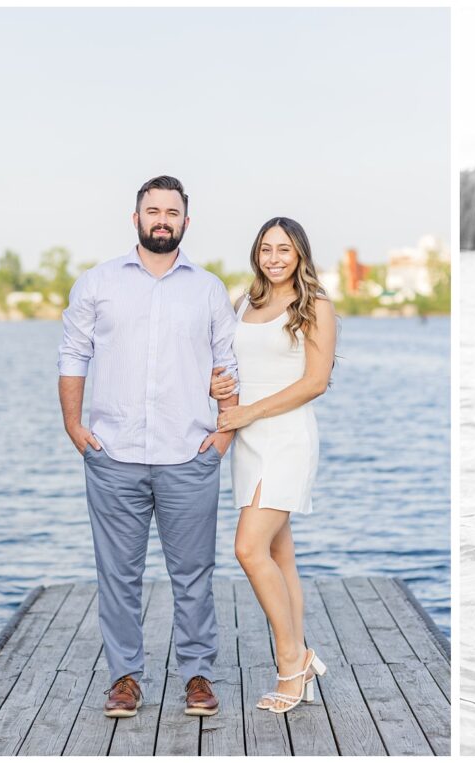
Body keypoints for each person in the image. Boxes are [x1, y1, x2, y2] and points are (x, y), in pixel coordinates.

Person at [58, 175, 239, 718]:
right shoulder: (97, 283)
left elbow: (228, 365)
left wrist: (224, 435)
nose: (163, 219)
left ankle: (199, 675)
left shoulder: (207, 289)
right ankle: (125, 678)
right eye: (153, 210)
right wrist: (74, 427)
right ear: (134, 217)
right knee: (117, 575)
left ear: (187, 221)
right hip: (113, 455)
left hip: (189, 455)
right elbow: (72, 355)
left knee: (194, 575)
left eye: (173, 211)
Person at [209, 217, 335, 713]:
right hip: (248, 439)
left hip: (286, 437)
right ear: (256, 254)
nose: (274, 257)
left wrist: (249, 411)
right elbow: (233, 367)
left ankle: (292, 662)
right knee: (280, 555)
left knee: (248, 547)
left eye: (284, 248)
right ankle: (298, 656)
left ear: (300, 253)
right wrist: (220, 389)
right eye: (266, 248)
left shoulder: (315, 304)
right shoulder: (247, 302)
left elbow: (315, 382)